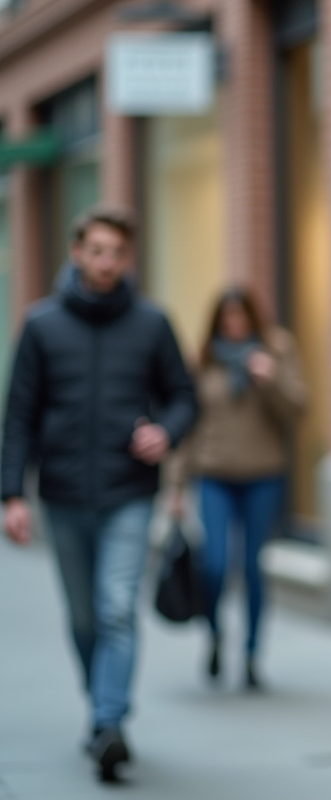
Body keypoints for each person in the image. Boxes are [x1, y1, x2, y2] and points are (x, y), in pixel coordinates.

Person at [0, 205, 197, 783]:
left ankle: (109, 721)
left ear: (126, 258)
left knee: (115, 608)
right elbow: (19, 417)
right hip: (60, 494)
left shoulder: (152, 323)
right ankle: (100, 711)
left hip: (129, 492)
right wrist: (11, 495)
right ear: (76, 253)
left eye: (116, 252)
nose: (107, 261)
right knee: (84, 616)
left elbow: (183, 395)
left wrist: (166, 432)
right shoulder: (40, 325)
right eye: (97, 251)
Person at [170, 287, 306, 689]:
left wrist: (271, 379)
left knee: (251, 567)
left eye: (241, 316)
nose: (235, 325)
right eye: (227, 318)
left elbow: (298, 408)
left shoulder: (276, 348)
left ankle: (250, 655)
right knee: (213, 565)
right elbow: (187, 426)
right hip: (212, 475)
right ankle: (214, 633)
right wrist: (176, 486)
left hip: (263, 474)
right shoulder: (203, 359)